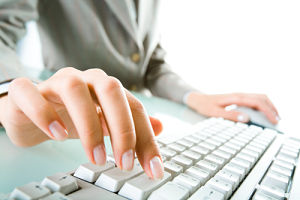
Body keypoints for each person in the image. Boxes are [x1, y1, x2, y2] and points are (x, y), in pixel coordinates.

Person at [0, 0, 279, 179]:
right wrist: (6, 93)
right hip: (73, 124)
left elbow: (150, 60)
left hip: (144, 119)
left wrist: (195, 97)